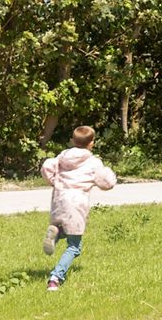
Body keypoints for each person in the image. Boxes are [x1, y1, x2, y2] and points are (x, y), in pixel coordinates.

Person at [41, 125, 118, 291]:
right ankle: (55, 278)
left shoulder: (62, 156)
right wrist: (110, 175)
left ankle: (55, 234)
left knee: (63, 227)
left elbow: (47, 166)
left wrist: (54, 181)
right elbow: (107, 182)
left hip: (59, 199)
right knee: (74, 246)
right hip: (76, 203)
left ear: (72, 140)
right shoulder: (93, 162)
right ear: (92, 143)